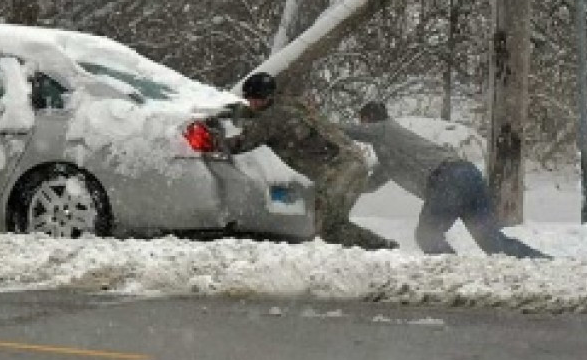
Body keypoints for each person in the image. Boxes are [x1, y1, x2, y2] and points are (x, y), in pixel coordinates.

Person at [345, 101, 548, 258]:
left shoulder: (386, 129)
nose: (362, 126)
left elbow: (352, 132)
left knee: (427, 234)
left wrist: (328, 128)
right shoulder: (390, 156)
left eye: (363, 121)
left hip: (448, 179)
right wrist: (345, 186)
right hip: (469, 175)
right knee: (491, 240)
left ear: (369, 119)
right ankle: (543, 262)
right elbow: (371, 183)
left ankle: (452, 271)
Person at [230, 72, 397, 250]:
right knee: (322, 224)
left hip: (342, 169)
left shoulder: (273, 117)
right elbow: (255, 115)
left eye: (257, 99)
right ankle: (377, 247)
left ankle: (382, 248)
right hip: (348, 162)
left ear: (268, 96)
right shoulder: (287, 105)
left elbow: (241, 144)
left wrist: (213, 137)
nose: (253, 103)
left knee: (328, 227)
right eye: (250, 99)